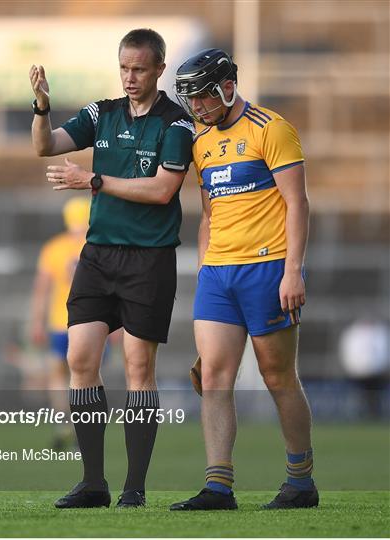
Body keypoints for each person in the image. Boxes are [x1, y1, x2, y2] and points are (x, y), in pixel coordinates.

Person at [29, 28, 193, 509]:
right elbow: (46, 146)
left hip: (149, 259)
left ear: (159, 69)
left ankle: (135, 488)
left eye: (139, 68)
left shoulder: (177, 125)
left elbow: (163, 190)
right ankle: (93, 482)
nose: (129, 77)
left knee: (139, 369)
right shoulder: (103, 112)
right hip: (98, 256)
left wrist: (93, 180)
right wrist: (42, 107)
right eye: (123, 67)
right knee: (81, 360)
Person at [170, 48, 318, 511]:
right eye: (189, 99)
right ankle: (218, 486)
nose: (195, 107)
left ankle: (300, 480)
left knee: (277, 376)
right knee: (213, 375)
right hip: (219, 274)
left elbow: (298, 203)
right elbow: (209, 214)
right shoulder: (200, 142)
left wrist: (292, 271)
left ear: (227, 88)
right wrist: (204, 268)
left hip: (268, 268)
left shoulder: (271, 129)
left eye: (201, 97)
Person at [29, 197, 90, 450]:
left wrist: (36, 322)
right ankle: (83, 425)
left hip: (58, 322)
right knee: (86, 376)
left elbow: (41, 290)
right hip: (89, 323)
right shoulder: (96, 244)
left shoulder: (53, 248)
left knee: (58, 376)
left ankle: (64, 423)